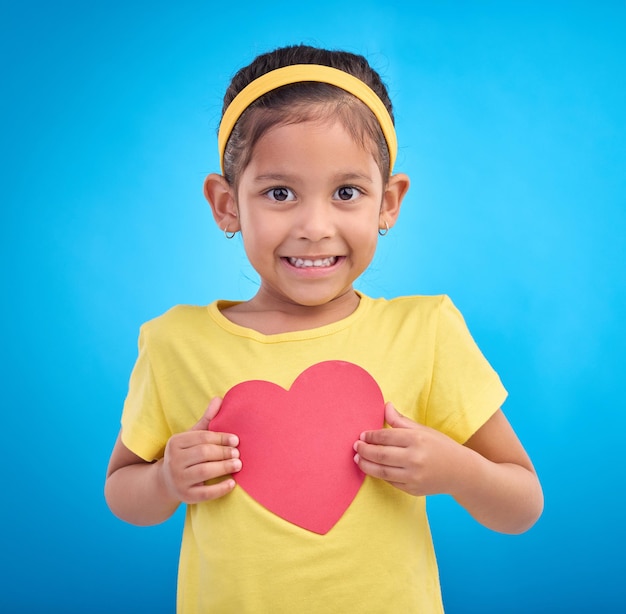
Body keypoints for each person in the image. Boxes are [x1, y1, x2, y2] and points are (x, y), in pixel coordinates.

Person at [105, 44, 543, 613]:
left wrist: (455, 470)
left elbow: (523, 505)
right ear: (226, 204)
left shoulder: (425, 331)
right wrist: (164, 481)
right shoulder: (175, 344)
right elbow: (122, 493)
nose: (315, 227)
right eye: (280, 193)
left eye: (346, 193)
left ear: (388, 202)